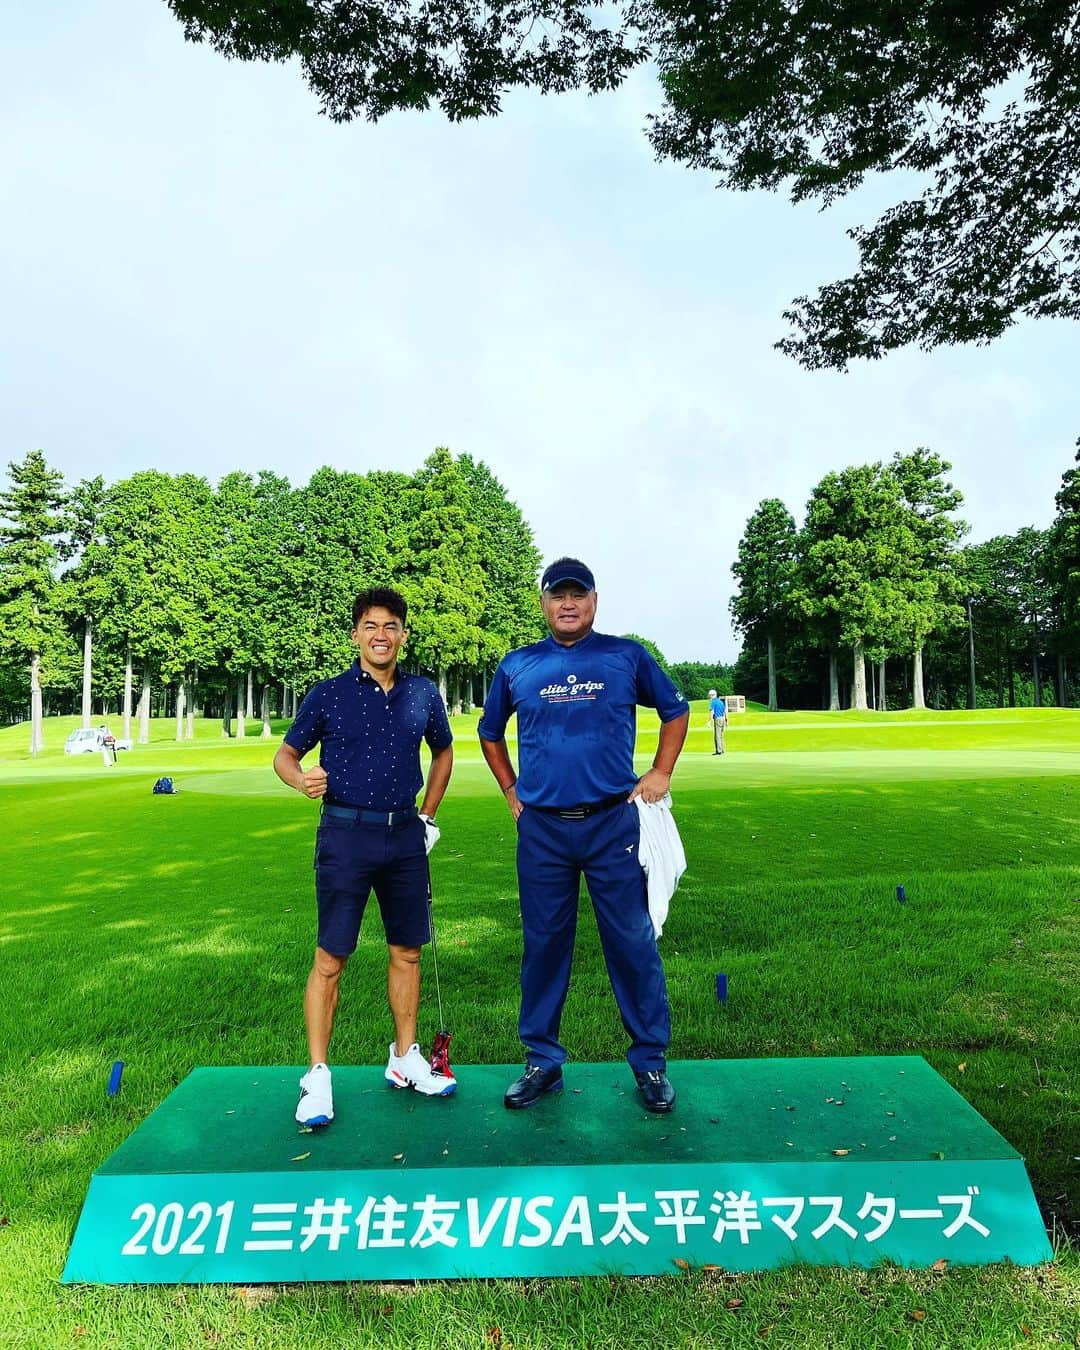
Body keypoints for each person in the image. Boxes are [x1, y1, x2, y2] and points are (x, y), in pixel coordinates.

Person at [478, 558, 690, 1114]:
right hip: (543, 829)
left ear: (594, 600)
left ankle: (650, 1063)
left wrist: (660, 771)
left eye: (578, 595)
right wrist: (510, 789)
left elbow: (675, 709)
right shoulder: (519, 665)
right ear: (544, 602)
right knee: (544, 947)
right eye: (557, 596)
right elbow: (489, 732)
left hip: (611, 824)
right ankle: (542, 1062)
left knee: (632, 943)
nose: (567, 604)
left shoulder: (625, 656)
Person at [273, 586, 456, 1127]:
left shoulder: (423, 693)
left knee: (408, 951)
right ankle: (318, 1077)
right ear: (356, 634)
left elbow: (443, 750)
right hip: (345, 835)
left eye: (391, 626)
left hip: (404, 835)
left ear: (403, 634)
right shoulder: (328, 694)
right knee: (331, 958)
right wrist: (300, 778)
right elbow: (286, 755)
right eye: (371, 626)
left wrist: (428, 811)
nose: (382, 635)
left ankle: (404, 1059)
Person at [708, 689, 728, 755]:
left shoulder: (713, 702)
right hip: (722, 718)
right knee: (721, 735)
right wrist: (726, 720)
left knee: (717, 735)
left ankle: (719, 751)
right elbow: (725, 711)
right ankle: (721, 749)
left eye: (710, 695)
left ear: (712, 695)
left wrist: (709, 721)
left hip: (717, 719)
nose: (709, 697)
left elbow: (712, 711)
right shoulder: (721, 701)